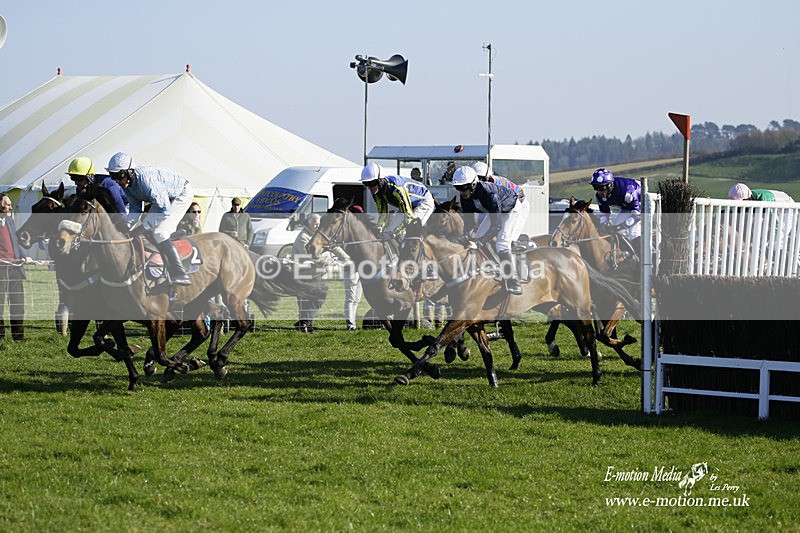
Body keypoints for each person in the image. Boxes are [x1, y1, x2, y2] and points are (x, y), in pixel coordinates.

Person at [106, 152, 193, 285]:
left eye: (119, 176)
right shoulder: (128, 184)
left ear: (130, 172)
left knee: (159, 232)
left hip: (181, 193)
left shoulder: (146, 181)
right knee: (149, 230)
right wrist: (128, 226)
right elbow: (136, 208)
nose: (117, 181)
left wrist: (142, 227)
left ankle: (179, 272)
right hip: (165, 197)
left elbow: (165, 210)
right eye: (113, 177)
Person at [452, 166, 527, 295]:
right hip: (495, 212)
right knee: (476, 237)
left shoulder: (489, 194)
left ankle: (512, 279)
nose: (461, 192)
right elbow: (469, 224)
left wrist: (479, 243)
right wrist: (466, 237)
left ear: (473, 184)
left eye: (463, 188)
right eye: (458, 188)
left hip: (511, 210)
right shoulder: (465, 198)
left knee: (502, 242)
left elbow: (496, 227)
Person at [359, 162, 435, 241]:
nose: (369, 188)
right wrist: (379, 228)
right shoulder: (377, 192)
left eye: (371, 184)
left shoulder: (398, 189)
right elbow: (383, 213)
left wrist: (397, 231)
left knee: (407, 233)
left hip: (423, 202)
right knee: (387, 233)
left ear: (380, 180)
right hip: (408, 206)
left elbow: (409, 218)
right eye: (366, 184)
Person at [292, 214, 331, 333]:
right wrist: (329, 257)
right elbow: (311, 257)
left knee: (311, 300)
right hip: (304, 274)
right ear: (308, 223)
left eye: (319, 223)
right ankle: (304, 323)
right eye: (315, 223)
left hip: (315, 274)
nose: (317, 225)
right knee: (316, 298)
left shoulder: (316, 236)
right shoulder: (303, 237)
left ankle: (305, 324)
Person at [0, 193, 30, 340]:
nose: (11, 207)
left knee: (18, 303)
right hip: (1, 268)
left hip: (15, 268)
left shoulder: (10, 221)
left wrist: (24, 255)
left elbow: (16, 241)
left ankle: (18, 337)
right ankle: (0, 338)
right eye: (7, 204)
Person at [590, 167, 642, 245]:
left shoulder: (627, 193)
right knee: (618, 232)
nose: (600, 192)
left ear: (610, 185)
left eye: (602, 188)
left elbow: (638, 215)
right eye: (596, 188)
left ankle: (648, 254)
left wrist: (621, 226)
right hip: (627, 207)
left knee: (633, 233)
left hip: (644, 204)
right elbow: (604, 214)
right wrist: (604, 226)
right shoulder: (599, 196)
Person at [343, 205, 365, 330]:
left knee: (357, 298)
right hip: (351, 266)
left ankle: (353, 323)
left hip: (361, 266)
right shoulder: (349, 231)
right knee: (351, 297)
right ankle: (350, 324)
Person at [728, 183, 795, 203]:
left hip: (788, 209)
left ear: (747, 199)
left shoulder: (763, 199)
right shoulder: (749, 196)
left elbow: (773, 219)